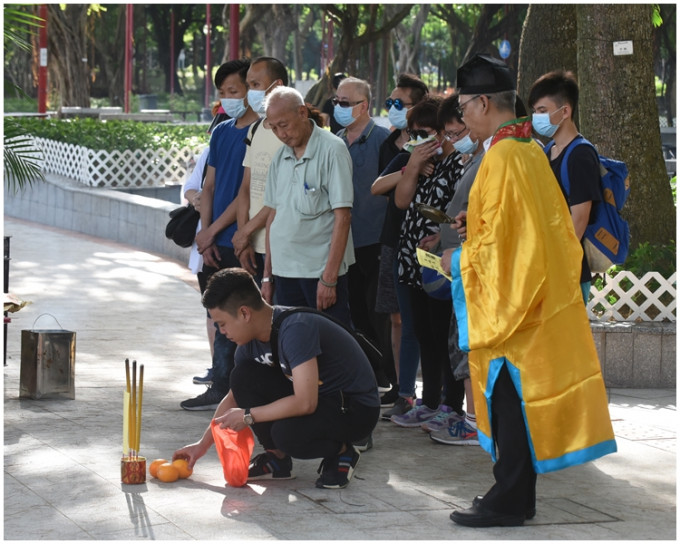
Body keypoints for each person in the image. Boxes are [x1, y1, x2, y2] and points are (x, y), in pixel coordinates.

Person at [447, 54, 616, 528]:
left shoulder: (503, 157)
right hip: (534, 303)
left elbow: (507, 247)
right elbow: (526, 230)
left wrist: (457, 259)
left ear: (483, 103)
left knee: (508, 404)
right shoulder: (526, 151)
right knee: (513, 406)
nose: (461, 118)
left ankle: (507, 499)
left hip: (515, 313)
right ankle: (516, 496)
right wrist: (472, 226)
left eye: (463, 108)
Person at [173, 268, 380, 489]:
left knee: (287, 435)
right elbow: (234, 398)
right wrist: (201, 446)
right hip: (321, 398)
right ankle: (277, 460)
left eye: (222, 324)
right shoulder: (249, 342)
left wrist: (248, 416)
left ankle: (343, 452)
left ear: (244, 313)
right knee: (242, 377)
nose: (221, 331)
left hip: (355, 409)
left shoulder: (295, 329)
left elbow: (305, 403)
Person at [181, 59, 260, 411]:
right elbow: (209, 186)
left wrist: (214, 230)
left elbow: (244, 192)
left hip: (242, 240)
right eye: (223, 92)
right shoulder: (221, 131)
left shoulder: (262, 132)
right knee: (218, 317)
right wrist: (206, 234)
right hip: (213, 239)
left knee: (243, 318)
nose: (228, 98)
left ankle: (244, 390)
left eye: (235, 91)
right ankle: (220, 382)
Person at [390, 96, 466, 429]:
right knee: (422, 331)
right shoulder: (422, 164)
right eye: (413, 133)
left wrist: (441, 238)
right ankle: (430, 399)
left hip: (441, 261)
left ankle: (452, 403)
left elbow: (459, 213)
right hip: (411, 257)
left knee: (441, 332)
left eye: (426, 132)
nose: (417, 140)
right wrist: (414, 166)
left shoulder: (459, 165)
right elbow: (401, 200)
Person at [261, 86, 355, 327]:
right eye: (274, 128)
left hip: (319, 273)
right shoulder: (280, 158)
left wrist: (329, 279)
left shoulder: (332, 149)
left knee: (331, 346)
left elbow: (343, 217)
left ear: (302, 113)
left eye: (284, 125)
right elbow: (273, 217)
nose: (280, 134)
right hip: (284, 272)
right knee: (294, 346)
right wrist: (267, 276)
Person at [372, 74, 429, 417]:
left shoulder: (442, 147)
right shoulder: (395, 146)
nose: (392, 110)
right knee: (398, 318)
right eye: (389, 103)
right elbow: (380, 187)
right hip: (395, 239)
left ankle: (431, 394)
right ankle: (401, 388)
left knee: (425, 322)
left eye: (399, 103)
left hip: (431, 245)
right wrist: (413, 165)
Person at [334, 77, 393, 393]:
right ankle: (365, 371)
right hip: (341, 242)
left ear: (364, 105)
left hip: (374, 239)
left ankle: (386, 374)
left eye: (346, 102)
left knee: (377, 311)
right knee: (352, 309)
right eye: (337, 101)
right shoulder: (334, 140)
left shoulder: (383, 140)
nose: (340, 107)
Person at [528, 70, 601, 303]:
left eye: (542, 111)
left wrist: (555, 267)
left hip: (567, 273)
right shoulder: (549, 150)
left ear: (565, 111)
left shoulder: (581, 155)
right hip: (547, 269)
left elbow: (578, 221)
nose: (536, 117)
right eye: (535, 111)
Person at [183, 103, 229, 387]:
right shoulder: (210, 151)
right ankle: (218, 368)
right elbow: (192, 188)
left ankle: (230, 375)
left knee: (231, 312)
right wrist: (197, 199)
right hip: (207, 242)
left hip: (230, 241)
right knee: (213, 310)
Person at [231, 57, 289, 279]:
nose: (250, 92)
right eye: (248, 85)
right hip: (250, 245)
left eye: (256, 85)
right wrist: (244, 238)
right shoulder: (254, 129)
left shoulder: (289, 133)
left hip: (277, 247)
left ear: (278, 86)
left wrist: (245, 232)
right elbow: (245, 187)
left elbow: (282, 195)